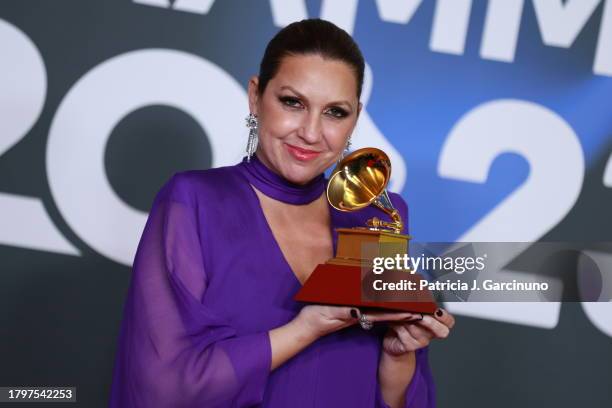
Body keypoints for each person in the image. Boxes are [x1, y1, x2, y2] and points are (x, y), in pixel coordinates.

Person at [109, 18, 454, 408]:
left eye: (335, 112)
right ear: (256, 97)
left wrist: (398, 356)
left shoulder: (374, 216)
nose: (310, 132)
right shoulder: (193, 202)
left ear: (355, 117)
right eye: (293, 102)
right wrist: (303, 329)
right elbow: (164, 387)